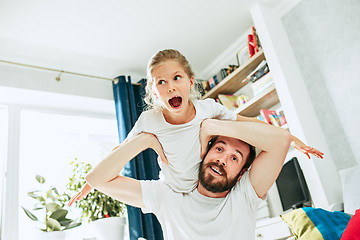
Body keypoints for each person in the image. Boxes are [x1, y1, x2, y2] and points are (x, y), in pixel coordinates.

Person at [68, 49, 323, 205]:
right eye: (161, 82)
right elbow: (121, 149)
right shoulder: (150, 121)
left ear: (190, 82)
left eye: (177, 78)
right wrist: (90, 184)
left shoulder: (208, 109)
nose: (170, 87)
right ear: (154, 92)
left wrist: (290, 137)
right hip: (172, 191)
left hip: (206, 188)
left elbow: (246, 122)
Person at [84, 119, 292, 239]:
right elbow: (98, 179)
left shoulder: (246, 194)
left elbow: (281, 139)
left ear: (241, 174)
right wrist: (145, 140)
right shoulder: (167, 195)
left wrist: (212, 125)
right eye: (219, 148)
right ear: (204, 152)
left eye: (234, 158)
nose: (222, 160)